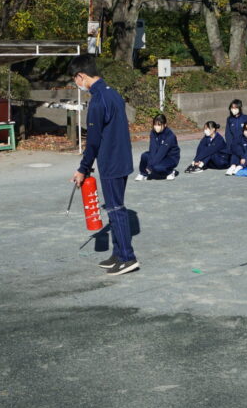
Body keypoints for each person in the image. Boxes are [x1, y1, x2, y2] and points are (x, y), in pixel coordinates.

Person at [68, 54, 139, 276]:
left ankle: (127, 257)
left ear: (81, 76)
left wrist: (83, 168)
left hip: (111, 161)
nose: (76, 83)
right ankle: (118, 253)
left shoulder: (98, 100)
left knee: (116, 209)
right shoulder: (113, 94)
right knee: (113, 207)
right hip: (121, 158)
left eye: (75, 79)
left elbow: (93, 140)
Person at [136, 114, 180, 181]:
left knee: (157, 168)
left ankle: (170, 171)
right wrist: (150, 164)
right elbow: (152, 149)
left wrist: (150, 166)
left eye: (159, 125)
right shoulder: (153, 133)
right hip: (158, 154)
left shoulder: (170, 136)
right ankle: (143, 173)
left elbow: (162, 153)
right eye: (155, 125)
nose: (156, 127)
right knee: (144, 156)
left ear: (165, 125)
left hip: (170, 158)